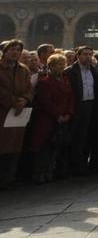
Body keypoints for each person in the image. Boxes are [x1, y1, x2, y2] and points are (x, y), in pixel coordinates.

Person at [30, 53, 73, 183]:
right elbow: (45, 102)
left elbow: (71, 98)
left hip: (64, 117)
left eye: (62, 64)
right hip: (48, 119)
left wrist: (68, 114)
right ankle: (39, 173)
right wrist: (57, 115)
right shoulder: (44, 82)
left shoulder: (66, 80)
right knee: (44, 146)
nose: (61, 67)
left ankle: (51, 172)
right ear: (51, 66)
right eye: (58, 65)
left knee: (58, 146)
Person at [65, 45, 98, 174]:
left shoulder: (93, 70)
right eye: (85, 54)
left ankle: (81, 164)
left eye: (90, 54)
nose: (88, 57)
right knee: (75, 137)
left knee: (86, 136)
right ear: (78, 56)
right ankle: (71, 165)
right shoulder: (70, 71)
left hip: (90, 106)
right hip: (77, 107)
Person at [0, 40, 33, 188]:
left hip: (18, 114)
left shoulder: (23, 69)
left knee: (15, 147)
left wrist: (25, 99)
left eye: (18, 49)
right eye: (12, 49)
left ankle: (10, 178)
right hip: (3, 111)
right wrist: (14, 101)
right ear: (4, 51)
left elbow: (29, 88)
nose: (15, 52)